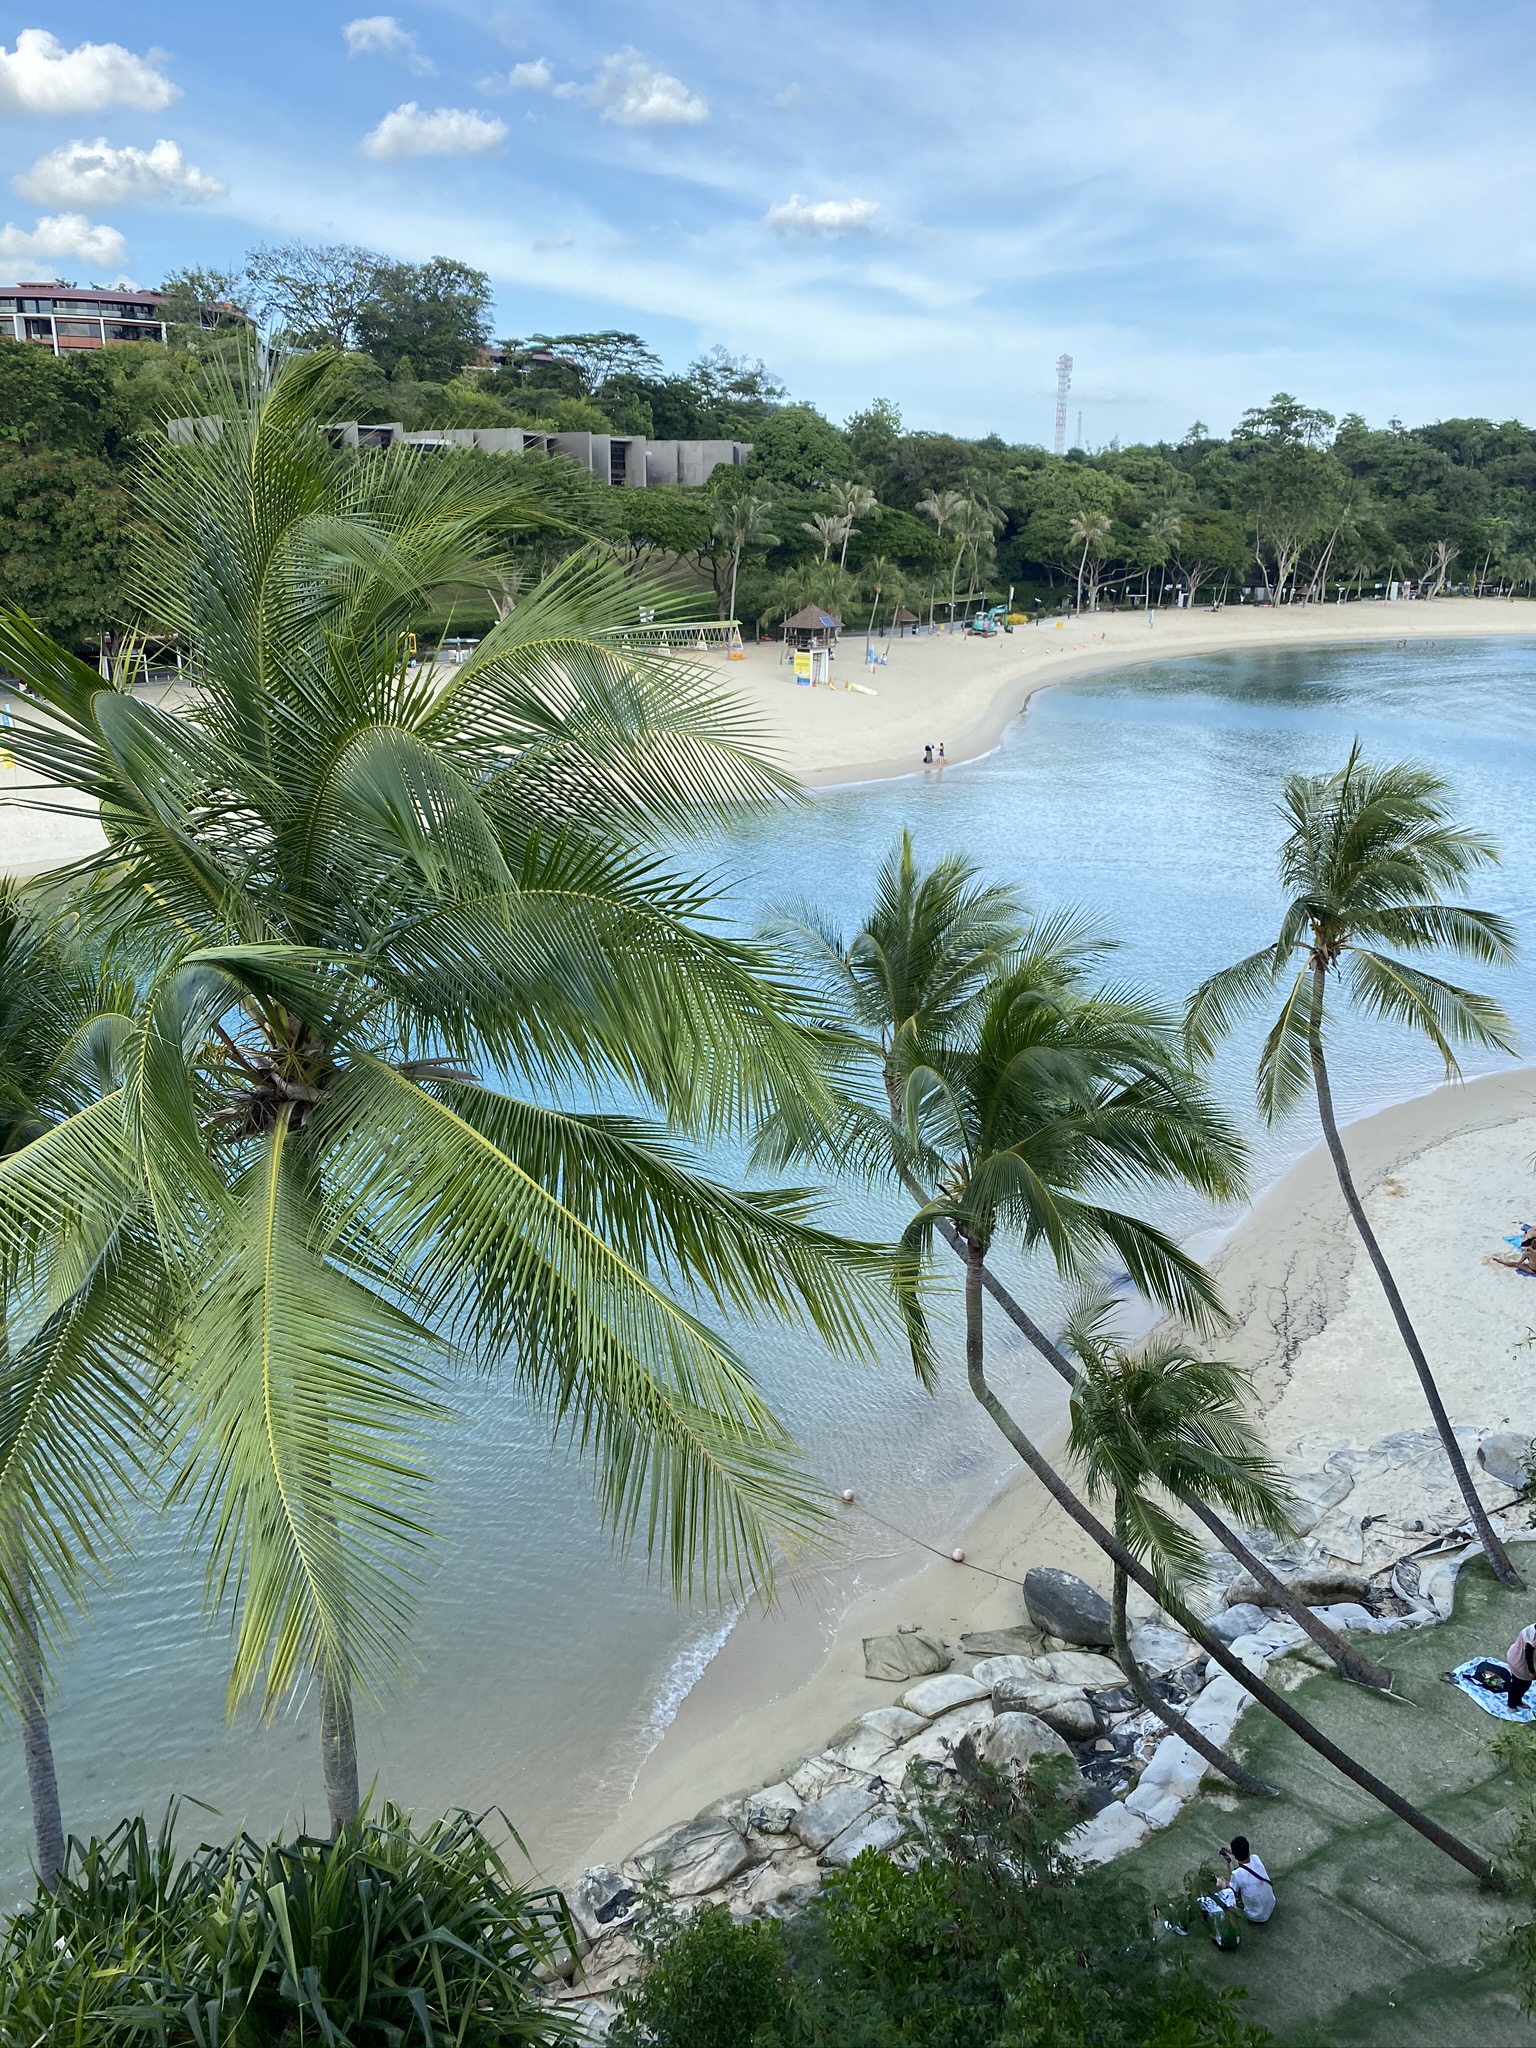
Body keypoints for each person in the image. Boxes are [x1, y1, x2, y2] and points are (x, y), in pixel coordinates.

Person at [1220, 1837, 1276, 1923]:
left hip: (1256, 1916)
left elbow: (1230, 1891)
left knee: (1224, 1886)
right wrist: (1233, 1852)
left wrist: (1223, 1882)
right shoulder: (1256, 1858)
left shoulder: (1237, 1874)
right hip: (1272, 1904)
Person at [1508, 1622, 1536, 1710]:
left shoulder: (1532, 1629)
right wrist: (1532, 1672)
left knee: (1522, 1685)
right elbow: (1529, 1657)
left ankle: (1517, 1701)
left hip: (1518, 1656)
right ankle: (1512, 1705)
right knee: (1519, 1685)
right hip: (1520, 1662)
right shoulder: (1532, 1638)